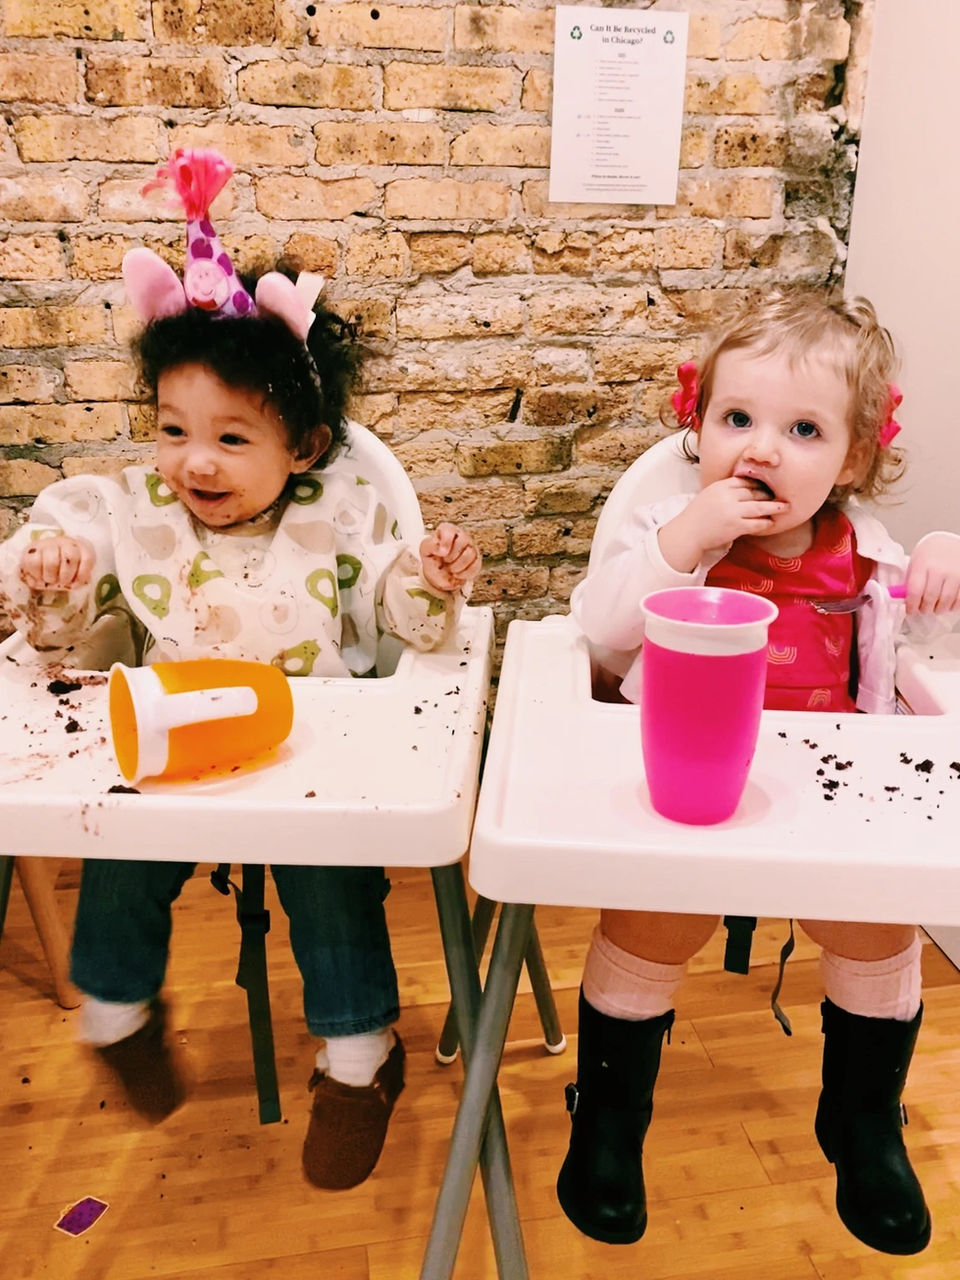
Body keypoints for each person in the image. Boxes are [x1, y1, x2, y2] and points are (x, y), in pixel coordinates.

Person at [0, 150, 481, 1192]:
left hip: (315, 753)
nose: (194, 463)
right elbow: (71, 624)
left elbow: (400, 620)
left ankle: (359, 1056)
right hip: (178, 747)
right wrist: (55, 575)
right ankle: (119, 1008)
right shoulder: (132, 513)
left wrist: (429, 579)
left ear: (304, 448)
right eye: (173, 430)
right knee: (119, 842)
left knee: (327, 873)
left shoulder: (344, 518)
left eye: (229, 436)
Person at [560, 289, 960, 1256]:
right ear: (697, 428)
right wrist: (683, 546)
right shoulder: (667, 525)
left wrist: (941, 570)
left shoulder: (868, 555)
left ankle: (862, 1119)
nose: (761, 449)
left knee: (875, 928)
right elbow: (600, 632)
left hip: (828, 794)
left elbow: (924, 657)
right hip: (686, 786)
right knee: (650, 924)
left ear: (855, 459)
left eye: (804, 429)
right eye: (736, 419)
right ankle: (611, 1120)